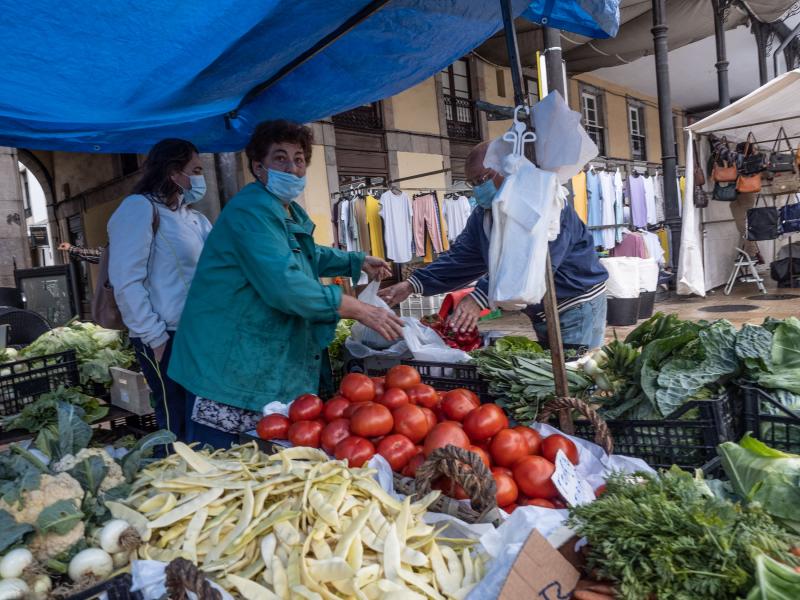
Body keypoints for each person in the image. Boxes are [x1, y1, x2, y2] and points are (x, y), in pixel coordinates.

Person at [169, 120, 403, 448]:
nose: (292, 168)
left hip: (252, 358)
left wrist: (354, 261)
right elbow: (285, 283)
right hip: (228, 364)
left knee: (257, 464)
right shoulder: (250, 212)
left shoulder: (282, 211)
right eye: (280, 158)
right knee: (223, 468)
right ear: (258, 167)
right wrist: (356, 307)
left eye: (299, 159)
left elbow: (302, 253)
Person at [379, 141, 609, 349]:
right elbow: (461, 259)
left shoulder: (545, 203)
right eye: (472, 183)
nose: (478, 188)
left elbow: (530, 261)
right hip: (542, 311)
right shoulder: (484, 214)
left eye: (482, 179)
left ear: (507, 170)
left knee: (575, 376)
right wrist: (411, 285)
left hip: (575, 304)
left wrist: (479, 297)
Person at [107, 139, 212, 442]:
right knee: (175, 422)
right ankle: (173, 480)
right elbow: (126, 281)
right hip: (164, 336)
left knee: (202, 419)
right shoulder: (139, 209)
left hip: (197, 334)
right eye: (195, 169)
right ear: (173, 172)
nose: (199, 177)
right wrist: (155, 338)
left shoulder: (194, 218)